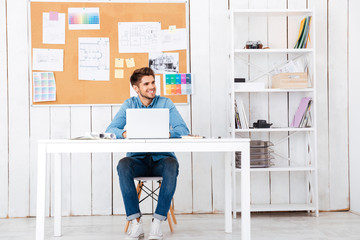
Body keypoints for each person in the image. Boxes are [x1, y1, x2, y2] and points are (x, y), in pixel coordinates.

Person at [106, 67, 190, 240]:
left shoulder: (166, 103)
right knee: (123, 164)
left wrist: (166, 133)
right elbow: (111, 130)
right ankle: (136, 223)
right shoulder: (129, 104)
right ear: (136, 88)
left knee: (172, 164)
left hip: (162, 160)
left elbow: (183, 129)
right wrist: (124, 134)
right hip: (138, 161)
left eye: (153, 82)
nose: (152, 87)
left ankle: (157, 223)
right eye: (146, 84)